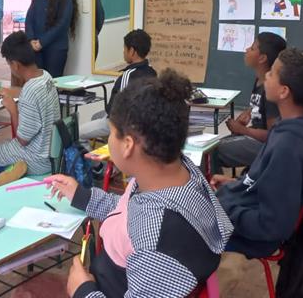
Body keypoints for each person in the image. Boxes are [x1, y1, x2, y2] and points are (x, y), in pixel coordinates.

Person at [48, 69, 233, 298]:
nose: (108, 140)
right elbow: (130, 211)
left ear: (128, 145)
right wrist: (81, 196)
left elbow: (147, 230)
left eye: (111, 133)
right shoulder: (172, 175)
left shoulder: (160, 240)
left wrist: (83, 291)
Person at [212, 48, 303, 259]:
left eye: (272, 73)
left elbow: (271, 225)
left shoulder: (289, 147)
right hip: (245, 208)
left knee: (176, 227)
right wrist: (235, 184)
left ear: (284, 91)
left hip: (256, 236)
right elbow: (267, 184)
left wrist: (222, 208)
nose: (266, 76)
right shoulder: (294, 127)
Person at [0, 32, 59, 190]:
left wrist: (13, 110)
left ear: (15, 65)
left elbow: (22, 140)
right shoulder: (45, 76)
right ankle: (8, 175)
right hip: (51, 154)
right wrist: (11, 91)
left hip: (34, 158)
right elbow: (32, 95)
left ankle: (0, 199)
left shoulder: (30, 92)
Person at [215, 32, 286, 172]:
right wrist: (249, 112)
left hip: (265, 146)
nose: (247, 50)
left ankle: (210, 190)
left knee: (213, 152)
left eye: (252, 48)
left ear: (262, 58)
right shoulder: (259, 80)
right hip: (254, 137)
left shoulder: (270, 88)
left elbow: (274, 136)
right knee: (211, 147)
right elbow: (260, 108)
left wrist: (242, 130)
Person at [80, 29, 156, 141]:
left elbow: (117, 109)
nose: (123, 52)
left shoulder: (127, 76)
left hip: (123, 125)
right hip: (143, 123)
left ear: (132, 51)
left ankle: (91, 157)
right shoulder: (152, 72)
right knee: (95, 117)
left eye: (125, 48)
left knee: (78, 133)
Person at [25, 0, 78, 77]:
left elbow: (62, 25)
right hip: (36, 50)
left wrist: (42, 42)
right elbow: (29, 18)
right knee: (37, 85)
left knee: (53, 85)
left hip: (56, 50)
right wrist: (31, 39)